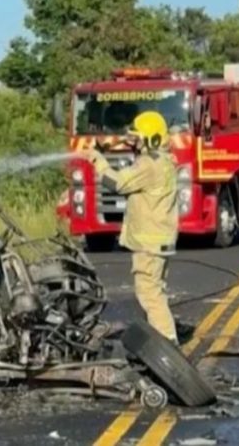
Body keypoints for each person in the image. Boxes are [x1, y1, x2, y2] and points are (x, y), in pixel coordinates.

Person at [86, 110, 179, 343]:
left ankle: (168, 347)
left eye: (137, 138)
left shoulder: (149, 164)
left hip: (150, 242)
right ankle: (156, 340)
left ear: (150, 139)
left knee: (150, 295)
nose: (133, 142)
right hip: (159, 239)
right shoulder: (162, 160)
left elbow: (117, 183)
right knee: (155, 291)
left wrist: (98, 159)